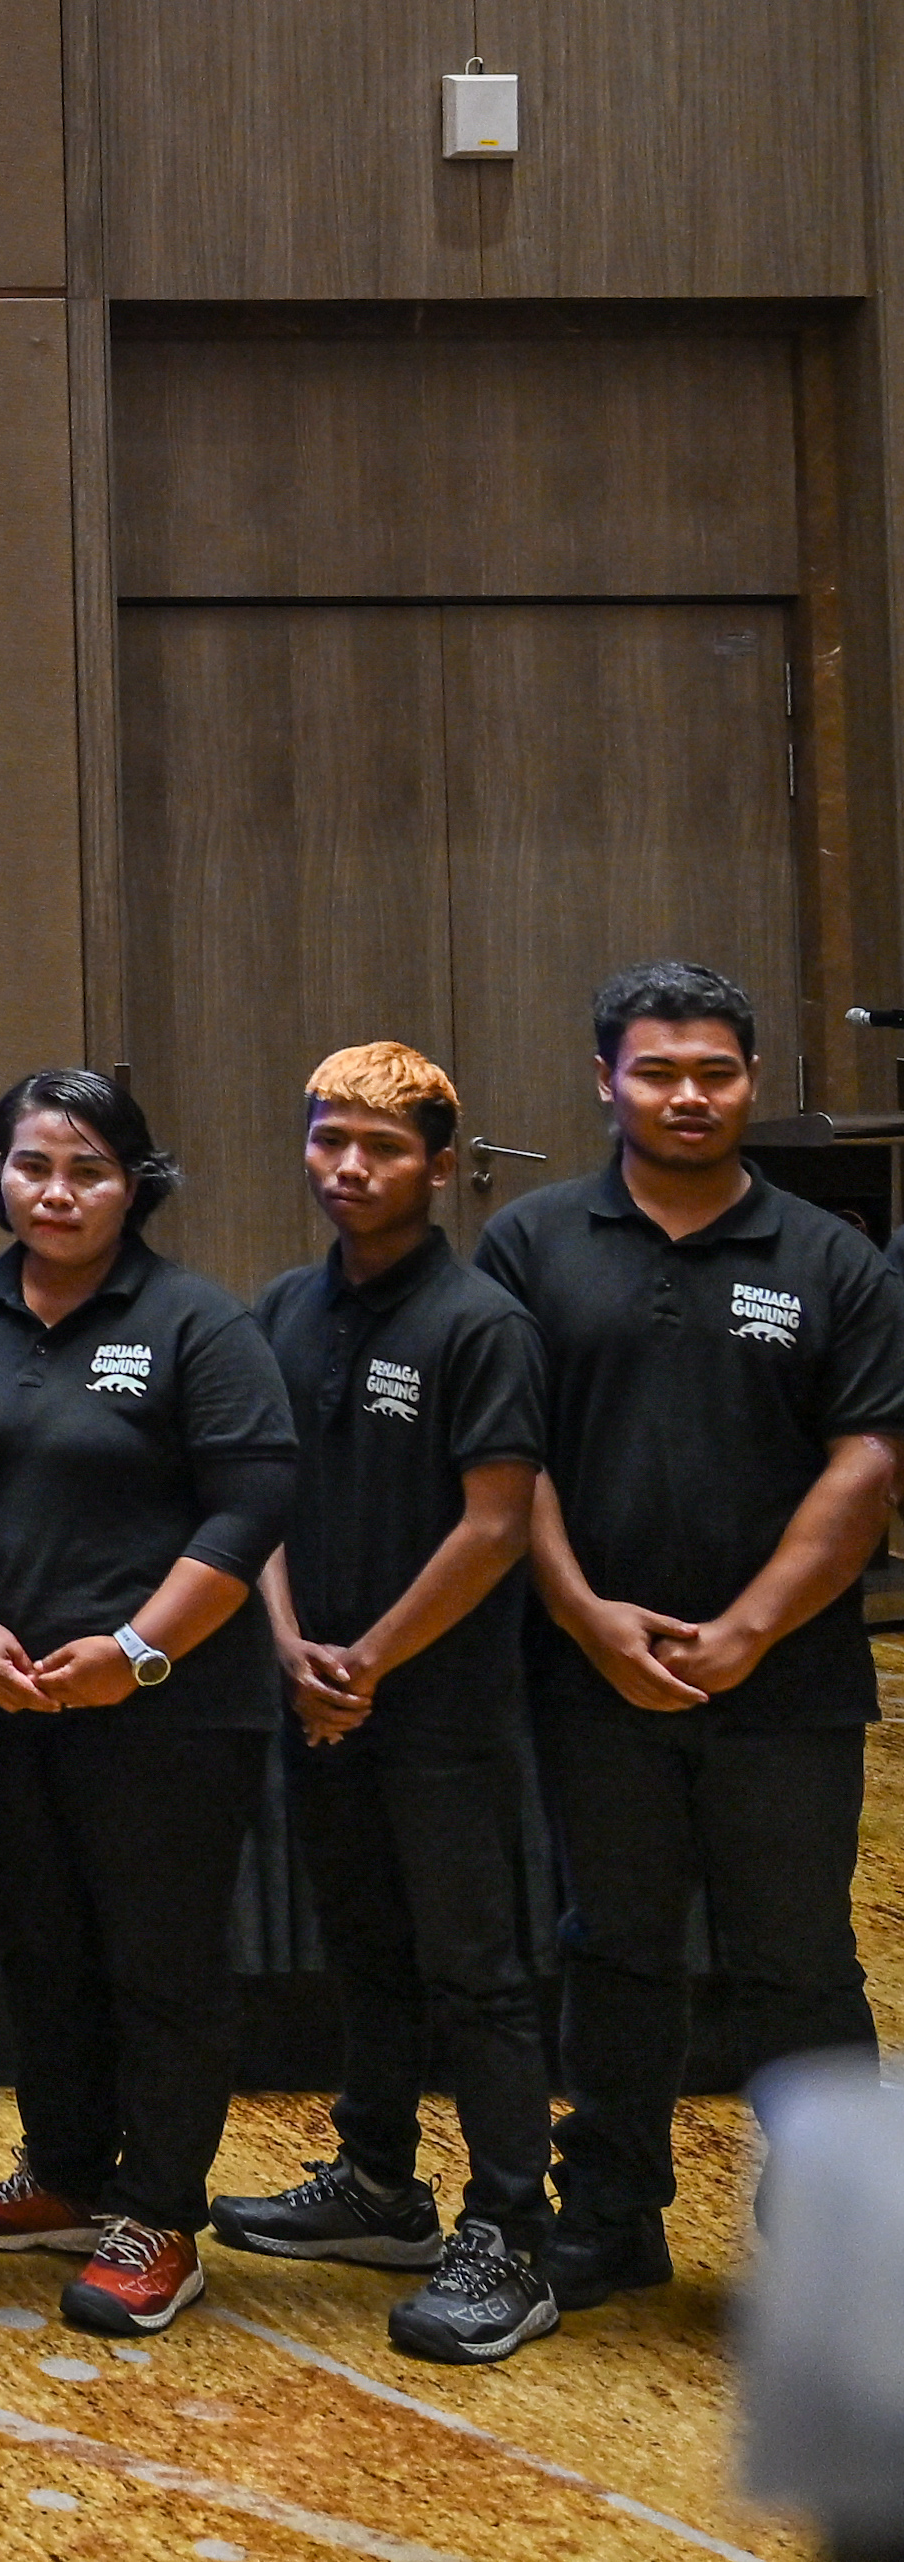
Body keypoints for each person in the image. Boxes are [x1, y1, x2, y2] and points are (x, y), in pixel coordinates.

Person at [478, 960, 904, 2313]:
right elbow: (504, 1455)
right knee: (609, 1946)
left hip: (786, 1687)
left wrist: (745, 1629)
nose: (683, 1093)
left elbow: (865, 1462)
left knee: (798, 1959)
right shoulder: (528, 1245)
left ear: (750, 1081)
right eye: (654, 1069)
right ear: (604, 1078)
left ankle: (837, 2242)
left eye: (710, 1069)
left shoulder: (829, 1255)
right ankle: (605, 2215)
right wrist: (583, 1614)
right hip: (588, 1676)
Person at [0, 1068, 294, 2336]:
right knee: (41, 1945)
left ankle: (161, 2214)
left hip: (170, 1709)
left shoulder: (197, 1320)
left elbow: (249, 1509)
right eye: (32, 1164)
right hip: (7, 1703)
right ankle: (67, 2173)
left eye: (87, 1168)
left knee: (163, 1965)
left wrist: (135, 1649)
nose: (57, 1191)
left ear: (136, 1181)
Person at [215, 1042, 557, 2362]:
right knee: (363, 1946)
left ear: (436, 1160)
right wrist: (296, 1644)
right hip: (314, 1693)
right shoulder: (281, 1310)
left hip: (437, 1710)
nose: (347, 1167)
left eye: (379, 1146)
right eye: (326, 1140)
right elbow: (262, 1493)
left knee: (473, 1970)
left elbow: (491, 1526)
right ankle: (375, 2183)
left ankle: (507, 2234)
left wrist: (368, 1661)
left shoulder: (479, 1323)